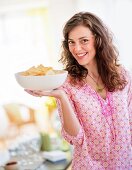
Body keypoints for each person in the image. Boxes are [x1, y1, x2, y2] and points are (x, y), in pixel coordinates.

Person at [25, 12, 132, 169]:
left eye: (84, 41)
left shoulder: (122, 75)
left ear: (98, 40)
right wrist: (61, 97)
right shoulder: (66, 83)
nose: (77, 48)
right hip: (88, 166)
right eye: (71, 42)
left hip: (125, 164)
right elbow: (75, 137)